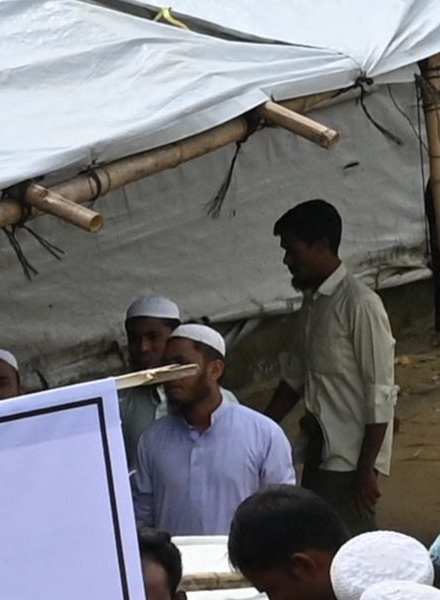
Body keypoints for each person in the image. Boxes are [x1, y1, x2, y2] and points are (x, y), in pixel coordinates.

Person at [268, 201, 402, 526]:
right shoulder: (313, 303)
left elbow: (380, 394)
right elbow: (294, 378)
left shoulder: (360, 304)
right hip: (319, 450)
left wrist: (367, 469)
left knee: (345, 546)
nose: (287, 261)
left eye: (293, 251)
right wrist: (259, 426)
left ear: (323, 246)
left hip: (349, 461)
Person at [129, 324, 298, 545]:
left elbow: (281, 515)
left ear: (215, 370)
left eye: (181, 364)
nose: (170, 375)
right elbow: (141, 518)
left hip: (242, 570)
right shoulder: (152, 440)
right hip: (176, 571)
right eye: (166, 365)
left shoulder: (264, 434)